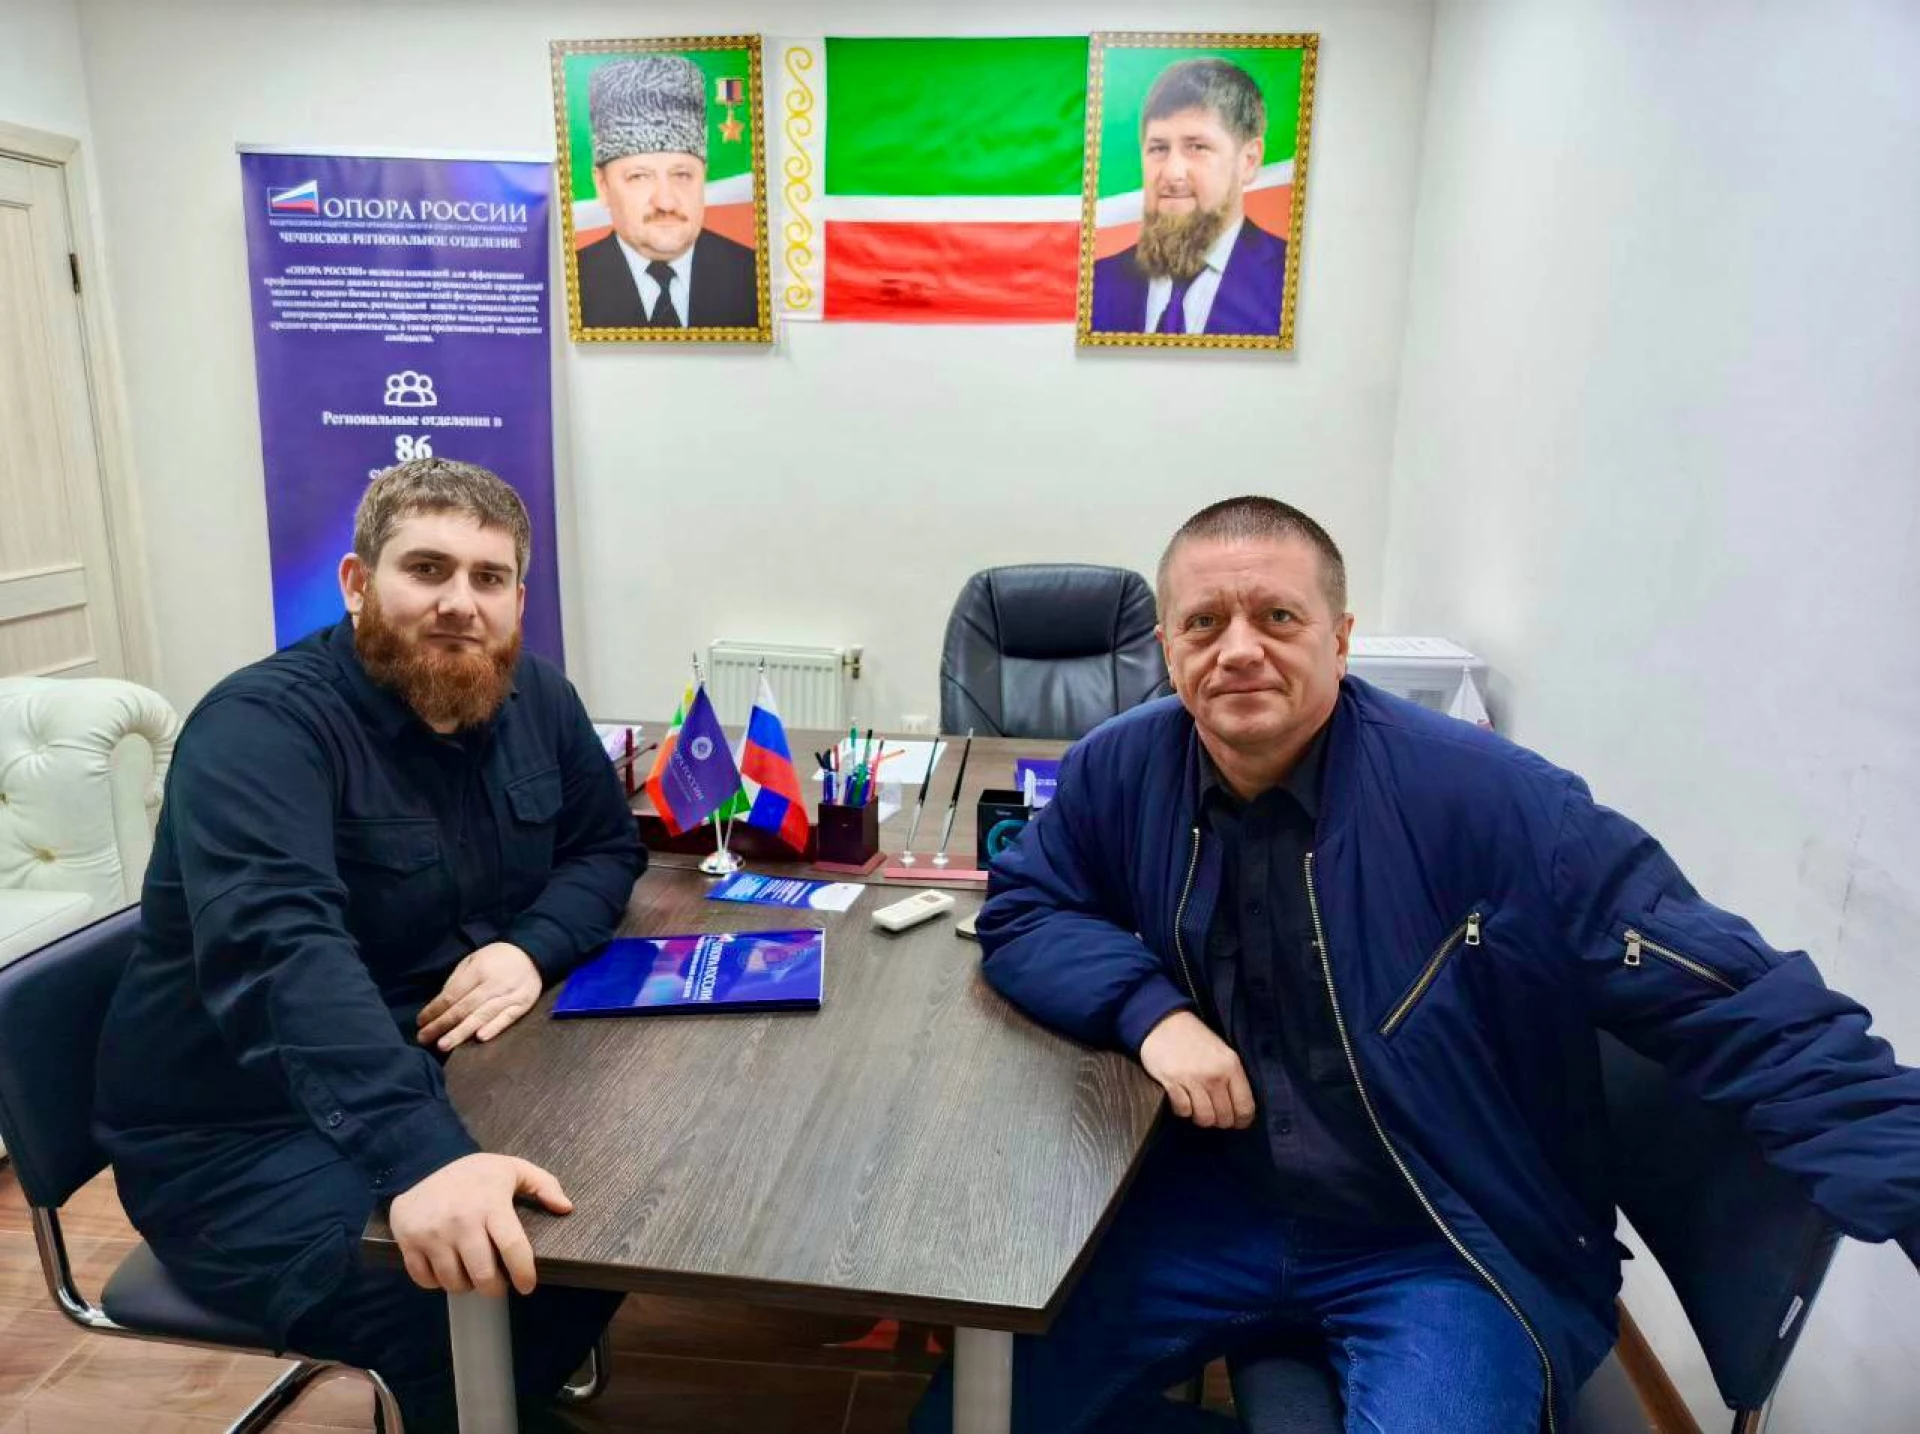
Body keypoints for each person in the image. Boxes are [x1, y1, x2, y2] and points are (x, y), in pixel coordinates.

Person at [915, 495, 1920, 1433]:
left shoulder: (1497, 803)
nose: (1239, 650)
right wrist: (1151, 1014)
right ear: (1165, 649)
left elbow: (1745, 1007)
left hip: (1442, 1237)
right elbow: (1031, 906)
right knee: (972, 1413)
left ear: (1341, 639)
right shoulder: (1122, 767)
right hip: (1217, 1203)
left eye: (1278, 617)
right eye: (1204, 623)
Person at [95, 458, 647, 1432]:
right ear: (357, 583)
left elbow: (605, 848)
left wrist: (529, 948)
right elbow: (282, 953)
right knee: (470, 1285)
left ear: (518, 601)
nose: (459, 602)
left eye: (488, 578)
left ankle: (503, 1393)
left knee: (625, 1209)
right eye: (427, 569)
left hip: (445, 1070)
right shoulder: (260, 728)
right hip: (241, 1141)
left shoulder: (538, 698)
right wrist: (421, 1157)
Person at [1089, 58, 1288, 338]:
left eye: (1197, 147)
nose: (1172, 173)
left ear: (1249, 161)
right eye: (1158, 148)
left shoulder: (1290, 278)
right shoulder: (1096, 283)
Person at [574, 53, 761, 330]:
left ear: (703, 177)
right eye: (639, 177)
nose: (665, 202)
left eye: (682, 175)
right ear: (602, 186)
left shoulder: (753, 277)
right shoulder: (571, 282)